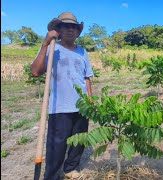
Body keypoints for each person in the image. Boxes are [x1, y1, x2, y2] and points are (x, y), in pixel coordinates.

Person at [31, 12, 94, 180]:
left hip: (82, 106)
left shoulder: (82, 52)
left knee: (79, 142)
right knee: (56, 146)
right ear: (58, 29)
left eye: (73, 27)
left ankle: (71, 169)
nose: (70, 30)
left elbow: (87, 77)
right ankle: (51, 176)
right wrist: (44, 44)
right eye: (66, 26)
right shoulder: (52, 48)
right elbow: (36, 72)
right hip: (59, 106)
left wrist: (90, 99)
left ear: (77, 31)